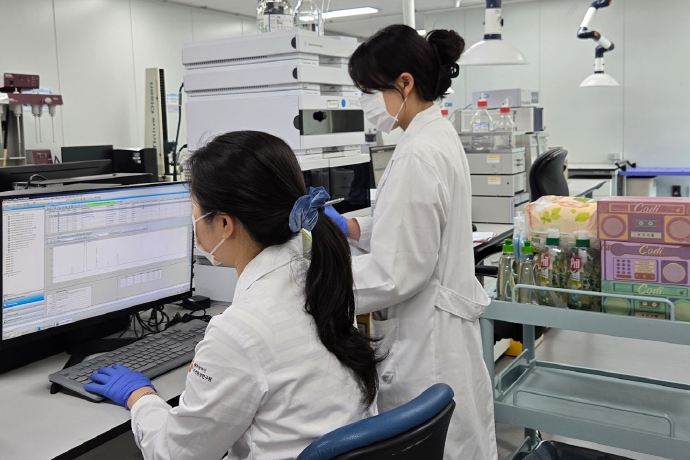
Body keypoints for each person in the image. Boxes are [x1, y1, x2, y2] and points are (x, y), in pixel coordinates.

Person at [84, 131, 382, 460]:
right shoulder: (320, 278)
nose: (193, 221)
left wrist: (140, 397)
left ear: (225, 224)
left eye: (194, 209)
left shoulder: (240, 330)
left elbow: (176, 454)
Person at [325, 25, 498, 459]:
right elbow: (412, 220)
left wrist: (317, 282)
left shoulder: (418, 152)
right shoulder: (433, 135)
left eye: (369, 91)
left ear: (405, 83)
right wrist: (352, 227)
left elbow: (395, 273)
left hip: (427, 343)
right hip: (441, 330)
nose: (365, 102)